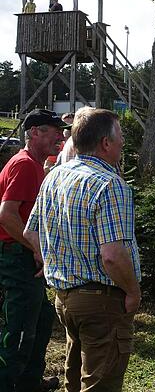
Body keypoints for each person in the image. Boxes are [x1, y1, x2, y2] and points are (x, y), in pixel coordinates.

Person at [24, 108, 138, 392]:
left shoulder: (55, 175)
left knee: (74, 379)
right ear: (106, 143)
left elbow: (30, 231)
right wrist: (134, 291)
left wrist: (53, 262)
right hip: (101, 301)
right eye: (120, 135)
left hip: (65, 300)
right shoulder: (110, 184)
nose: (123, 142)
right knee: (100, 383)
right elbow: (112, 255)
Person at [0, 110, 67, 392]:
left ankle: (29, 382)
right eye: (54, 130)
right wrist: (35, 248)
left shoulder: (36, 165)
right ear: (35, 132)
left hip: (24, 255)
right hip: (17, 256)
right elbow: (6, 214)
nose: (60, 137)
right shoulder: (25, 165)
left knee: (41, 320)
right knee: (20, 330)